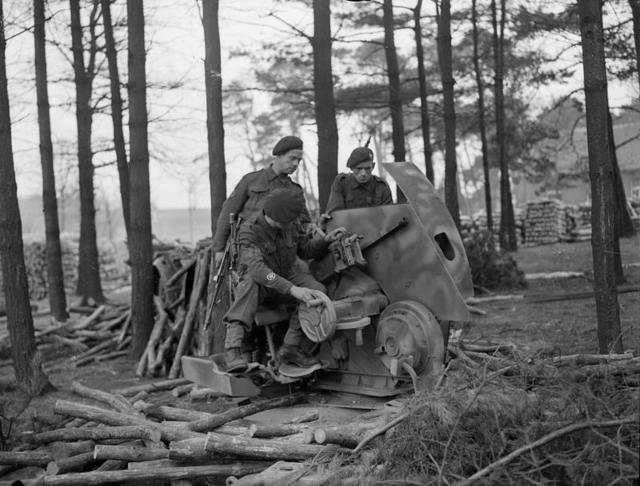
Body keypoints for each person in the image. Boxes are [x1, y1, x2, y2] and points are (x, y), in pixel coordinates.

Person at [223, 188, 345, 372]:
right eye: (288, 220)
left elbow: (305, 249)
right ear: (276, 216)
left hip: (285, 275)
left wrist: (325, 240)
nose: (292, 223)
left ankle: (291, 348)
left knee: (317, 291)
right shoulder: (250, 230)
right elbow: (257, 269)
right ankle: (232, 350)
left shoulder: (290, 223)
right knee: (248, 285)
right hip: (263, 280)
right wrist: (292, 289)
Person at [212, 135, 310, 269]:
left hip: (280, 255)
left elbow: (304, 222)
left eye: (299, 160)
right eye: (292, 158)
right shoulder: (251, 181)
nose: (295, 164)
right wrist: (219, 249)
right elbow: (228, 212)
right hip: (249, 250)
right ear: (279, 156)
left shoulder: (295, 191)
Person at [324, 146, 393, 215]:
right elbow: (335, 214)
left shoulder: (381, 186)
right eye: (359, 169)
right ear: (352, 168)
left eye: (367, 168)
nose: (363, 173)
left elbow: (389, 216)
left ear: (373, 166)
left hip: (377, 225)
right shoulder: (342, 183)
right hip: (347, 225)